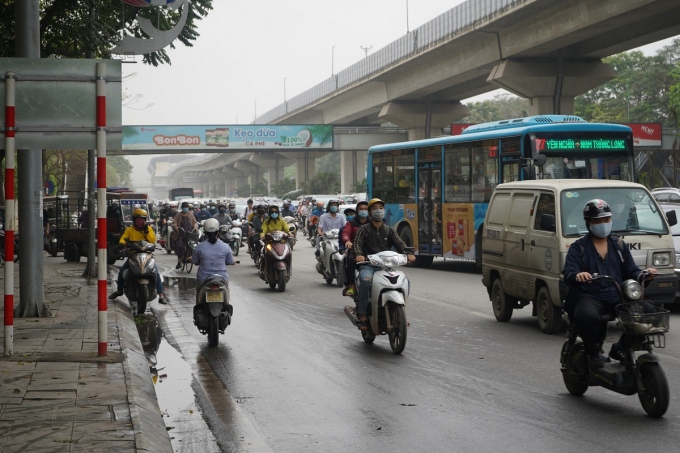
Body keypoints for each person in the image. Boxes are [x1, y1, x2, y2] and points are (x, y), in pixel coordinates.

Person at [563, 199, 658, 369]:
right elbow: (569, 273)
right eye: (597, 221)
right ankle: (593, 354)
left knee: (647, 309)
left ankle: (621, 347)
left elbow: (632, 271)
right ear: (588, 223)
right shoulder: (578, 248)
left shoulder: (619, 245)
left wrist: (645, 275)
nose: (603, 224)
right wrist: (578, 275)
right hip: (590, 296)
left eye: (606, 220)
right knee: (586, 315)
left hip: (617, 295)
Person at [353, 199, 415, 330]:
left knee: (406, 281)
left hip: (386, 266)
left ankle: (400, 313)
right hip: (368, 265)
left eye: (381, 207)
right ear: (370, 212)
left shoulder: (389, 230)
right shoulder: (363, 230)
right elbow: (357, 245)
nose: (378, 210)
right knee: (365, 281)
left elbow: (400, 244)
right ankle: (363, 315)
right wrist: (359, 254)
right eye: (375, 208)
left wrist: (408, 253)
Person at [109, 208, 168, 305]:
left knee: (156, 273)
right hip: (133, 255)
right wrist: (121, 244)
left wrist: (146, 232)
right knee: (122, 272)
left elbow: (152, 241)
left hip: (148, 255)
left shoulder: (148, 229)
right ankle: (119, 290)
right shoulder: (129, 230)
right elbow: (124, 238)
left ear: (145, 220)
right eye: (138, 219)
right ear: (134, 220)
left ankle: (161, 295)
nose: (140, 221)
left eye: (142, 219)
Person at [191, 218, 236, 333]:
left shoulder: (199, 247)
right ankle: (225, 306)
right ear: (218, 232)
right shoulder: (225, 247)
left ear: (205, 233)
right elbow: (231, 261)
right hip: (221, 279)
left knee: (199, 299)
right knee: (227, 291)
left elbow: (195, 260)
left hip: (203, 280)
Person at [341, 202, 369, 297]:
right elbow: (345, 233)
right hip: (355, 249)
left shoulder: (373, 222)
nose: (363, 211)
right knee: (349, 260)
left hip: (370, 250)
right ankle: (351, 285)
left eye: (366, 209)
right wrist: (347, 241)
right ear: (357, 211)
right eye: (361, 209)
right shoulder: (351, 223)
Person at [259, 204, 290, 269]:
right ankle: (263, 267)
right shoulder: (266, 222)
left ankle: (289, 269)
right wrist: (262, 235)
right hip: (269, 242)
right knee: (263, 253)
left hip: (281, 242)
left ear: (278, 213)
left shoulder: (282, 221)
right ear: (269, 213)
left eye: (276, 212)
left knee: (289, 252)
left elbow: (287, 229)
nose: (274, 213)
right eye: (272, 212)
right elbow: (263, 230)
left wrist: (289, 233)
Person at [173, 201, 198, 269]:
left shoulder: (190, 214)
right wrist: (176, 227)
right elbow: (174, 223)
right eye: (184, 207)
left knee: (191, 246)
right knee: (180, 247)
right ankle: (179, 262)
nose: (186, 208)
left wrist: (195, 227)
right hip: (181, 233)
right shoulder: (178, 215)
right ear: (182, 208)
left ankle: (188, 257)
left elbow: (195, 222)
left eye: (187, 207)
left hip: (189, 233)